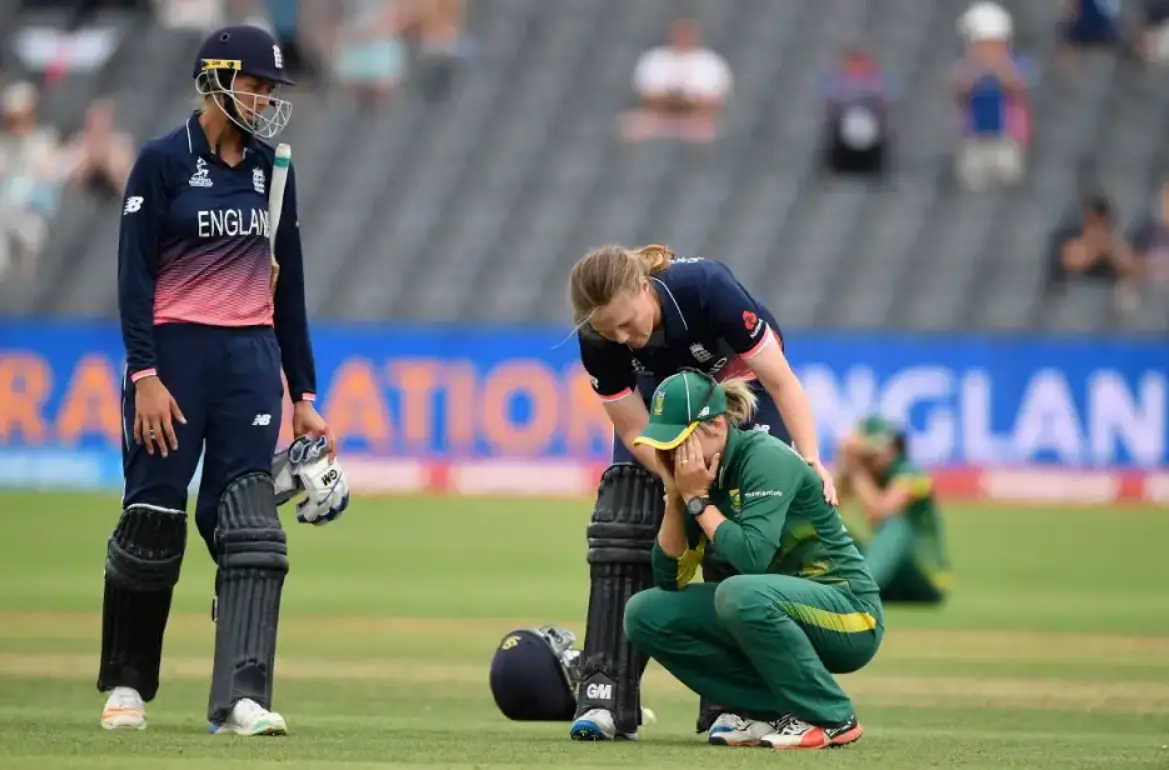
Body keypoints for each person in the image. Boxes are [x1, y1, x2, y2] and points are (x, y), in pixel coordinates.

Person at [98, 24, 347, 737]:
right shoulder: (162, 161)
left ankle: (240, 698)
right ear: (214, 80)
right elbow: (133, 277)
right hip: (173, 361)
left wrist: (304, 395)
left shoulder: (272, 169)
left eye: (271, 89)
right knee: (152, 522)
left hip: (250, 363)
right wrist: (145, 373)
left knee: (250, 532)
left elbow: (289, 286)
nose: (265, 99)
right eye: (255, 85)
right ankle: (127, 686)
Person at [566, 244, 836, 743]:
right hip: (663, 398)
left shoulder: (706, 288)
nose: (623, 339)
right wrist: (676, 484)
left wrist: (812, 457)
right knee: (624, 515)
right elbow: (635, 430)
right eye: (610, 332)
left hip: (741, 388)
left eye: (627, 324)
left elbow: (781, 381)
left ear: (643, 288)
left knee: (738, 531)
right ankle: (606, 696)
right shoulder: (598, 337)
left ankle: (736, 704)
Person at [622, 371, 882, 749]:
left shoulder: (763, 457)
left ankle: (831, 717)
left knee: (739, 593)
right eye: (663, 444)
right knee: (646, 613)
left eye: (678, 441)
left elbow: (752, 558)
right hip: (776, 605)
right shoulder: (702, 477)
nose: (670, 454)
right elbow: (669, 579)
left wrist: (699, 502)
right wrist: (677, 498)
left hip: (851, 614)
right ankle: (772, 712)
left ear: (716, 424)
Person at [835, 416, 951, 605]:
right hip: (888, 575)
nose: (883, 455)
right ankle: (838, 588)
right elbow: (831, 504)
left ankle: (858, 590)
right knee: (830, 527)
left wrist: (855, 468)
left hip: (924, 577)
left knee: (897, 524)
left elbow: (879, 512)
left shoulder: (911, 472)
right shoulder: (870, 474)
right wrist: (845, 461)